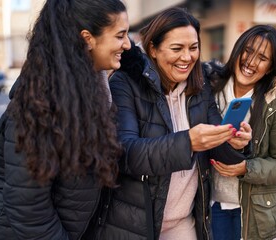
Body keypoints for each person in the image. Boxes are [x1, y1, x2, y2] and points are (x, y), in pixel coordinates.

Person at [0, 0, 130, 239]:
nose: (128, 44)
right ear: (87, 39)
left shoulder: (92, 86)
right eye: (120, 35)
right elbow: (28, 209)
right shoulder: (41, 101)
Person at [99, 7, 252, 240]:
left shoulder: (201, 87)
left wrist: (235, 143)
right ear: (153, 49)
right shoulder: (125, 83)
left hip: (184, 223)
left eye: (193, 48)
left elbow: (218, 150)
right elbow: (125, 153)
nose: (187, 57)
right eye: (176, 48)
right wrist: (188, 142)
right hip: (136, 225)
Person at [208, 24, 276, 240]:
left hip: (252, 213)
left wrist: (247, 167)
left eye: (262, 58)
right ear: (237, 49)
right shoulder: (210, 87)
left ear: (271, 67)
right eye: (248, 51)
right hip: (207, 204)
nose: (251, 62)